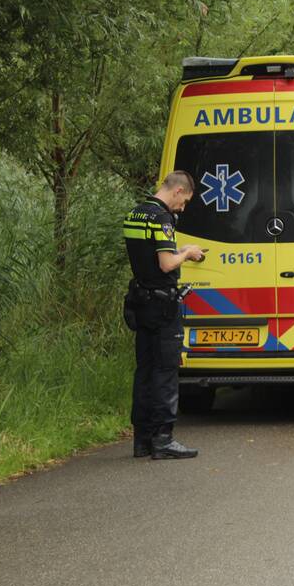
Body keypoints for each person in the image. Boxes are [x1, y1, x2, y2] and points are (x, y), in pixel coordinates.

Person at [122, 171, 205, 460]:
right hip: (163, 306)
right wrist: (187, 253)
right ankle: (163, 439)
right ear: (178, 191)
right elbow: (167, 263)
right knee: (166, 370)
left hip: (141, 302)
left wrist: (176, 250)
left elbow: (149, 255)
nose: (182, 208)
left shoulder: (135, 214)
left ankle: (142, 440)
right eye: (184, 202)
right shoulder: (161, 218)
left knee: (144, 369)